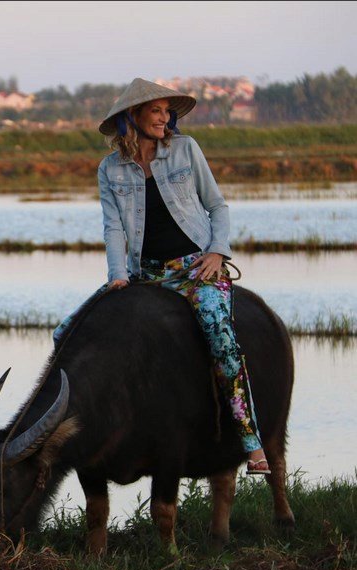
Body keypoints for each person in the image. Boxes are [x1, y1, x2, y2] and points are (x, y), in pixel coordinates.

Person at [54, 77, 270, 475]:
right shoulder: (110, 169)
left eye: (167, 111)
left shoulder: (185, 149)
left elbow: (218, 207)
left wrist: (217, 253)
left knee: (221, 340)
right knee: (64, 331)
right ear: (131, 117)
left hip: (196, 268)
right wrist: (118, 275)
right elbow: (113, 227)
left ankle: (252, 444)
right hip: (144, 274)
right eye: (155, 110)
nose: (164, 117)